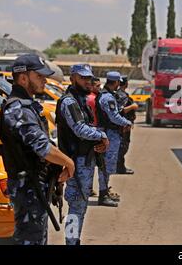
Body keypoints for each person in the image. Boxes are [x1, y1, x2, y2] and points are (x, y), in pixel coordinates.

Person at [0, 53, 75, 245]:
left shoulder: (27, 106)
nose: (44, 80)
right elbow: (43, 147)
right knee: (30, 239)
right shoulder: (17, 109)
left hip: (34, 188)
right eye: (39, 76)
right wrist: (68, 163)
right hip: (28, 189)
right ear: (23, 78)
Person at [55, 64, 110, 245]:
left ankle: (74, 239)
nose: (87, 82)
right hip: (76, 161)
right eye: (83, 78)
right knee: (76, 206)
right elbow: (79, 129)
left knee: (80, 205)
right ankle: (71, 241)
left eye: (89, 78)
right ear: (72, 79)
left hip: (83, 160)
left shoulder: (80, 99)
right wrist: (101, 136)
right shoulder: (69, 101)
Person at [96, 72, 132, 205]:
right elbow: (114, 117)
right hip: (109, 134)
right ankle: (103, 195)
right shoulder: (108, 98)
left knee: (107, 166)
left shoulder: (107, 95)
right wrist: (126, 123)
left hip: (109, 133)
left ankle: (105, 191)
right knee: (105, 166)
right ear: (116, 82)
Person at [115, 75, 138, 175]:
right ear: (126, 84)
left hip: (124, 124)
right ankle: (119, 168)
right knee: (123, 147)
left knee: (122, 146)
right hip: (124, 125)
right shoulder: (122, 95)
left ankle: (119, 167)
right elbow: (121, 110)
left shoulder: (120, 94)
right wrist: (133, 106)